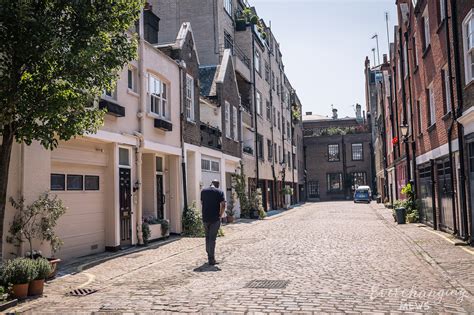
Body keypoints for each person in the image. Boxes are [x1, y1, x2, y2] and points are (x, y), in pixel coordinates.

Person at [200, 179, 226, 265]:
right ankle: (211, 259)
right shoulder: (219, 192)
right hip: (215, 218)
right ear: (217, 184)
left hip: (205, 218)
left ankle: (209, 254)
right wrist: (221, 214)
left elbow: (202, 202)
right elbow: (223, 205)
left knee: (207, 237)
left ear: (211, 183)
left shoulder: (203, 191)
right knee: (212, 239)